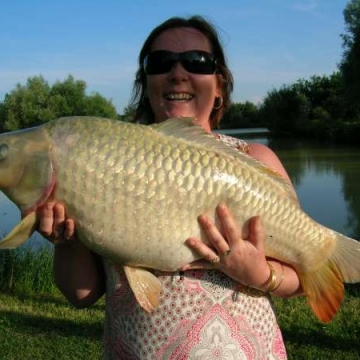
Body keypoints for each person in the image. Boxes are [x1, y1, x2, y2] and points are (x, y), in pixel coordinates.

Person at [38, 15, 302, 359]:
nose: (178, 72)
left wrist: (260, 274)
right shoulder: (103, 159)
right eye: (160, 62)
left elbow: (305, 275)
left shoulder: (257, 160)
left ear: (219, 84)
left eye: (197, 62)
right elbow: (81, 294)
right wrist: (66, 242)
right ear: (145, 83)